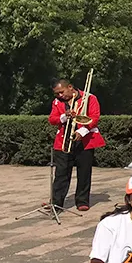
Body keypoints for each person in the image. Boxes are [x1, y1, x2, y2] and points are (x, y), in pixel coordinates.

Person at [49, 78, 106, 211]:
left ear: (70, 87)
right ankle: (57, 202)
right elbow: (52, 119)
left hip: (85, 140)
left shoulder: (90, 98)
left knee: (84, 171)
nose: (60, 96)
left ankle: (82, 201)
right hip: (64, 140)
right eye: (57, 94)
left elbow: (95, 117)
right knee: (61, 173)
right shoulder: (57, 102)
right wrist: (63, 116)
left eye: (61, 92)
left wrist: (83, 130)